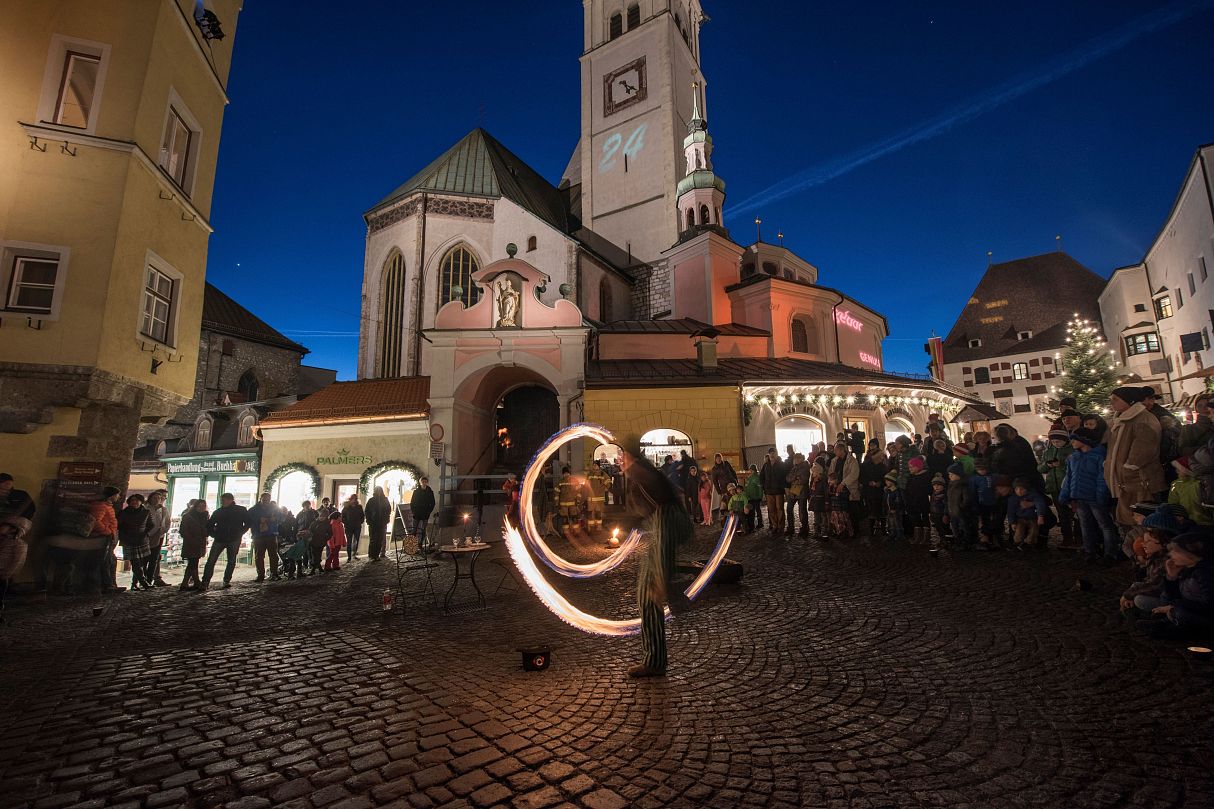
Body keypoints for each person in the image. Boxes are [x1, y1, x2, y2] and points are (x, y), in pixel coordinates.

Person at [619, 441, 693, 678]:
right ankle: (655, 658)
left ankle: (655, 662)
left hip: (667, 522)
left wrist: (661, 576)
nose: (620, 461)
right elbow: (638, 512)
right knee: (645, 594)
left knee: (650, 593)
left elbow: (655, 509)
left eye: (623, 456)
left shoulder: (641, 471)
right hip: (664, 522)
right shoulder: (641, 474)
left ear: (632, 456)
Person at [1105, 386, 1166, 526]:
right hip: (1126, 483)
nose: (1112, 403)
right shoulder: (1121, 421)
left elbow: (1145, 448)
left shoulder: (1143, 419)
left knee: (1143, 521)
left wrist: (1129, 467)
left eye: (1115, 399)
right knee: (1129, 520)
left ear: (1129, 401)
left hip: (1141, 480)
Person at [1136, 533, 1214, 640]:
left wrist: (1175, 607)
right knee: (1167, 601)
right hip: (1189, 608)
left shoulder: (1205, 573)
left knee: (1180, 613)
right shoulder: (1186, 569)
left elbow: (1209, 605)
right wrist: (1171, 577)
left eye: (1176, 551)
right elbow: (1173, 596)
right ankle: (1166, 624)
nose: (1171, 554)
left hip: (1204, 615)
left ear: (1189, 553)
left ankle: (1183, 631)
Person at [1057, 429, 1120, 563]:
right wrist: (1066, 495)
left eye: (1074, 439)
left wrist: (1101, 496)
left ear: (1085, 440)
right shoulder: (1073, 457)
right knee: (1085, 525)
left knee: (1105, 525)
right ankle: (1090, 552)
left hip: (1094, 497)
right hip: (1079, 497)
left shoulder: (1099, 456)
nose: (1072, 442)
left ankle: (1110, 553)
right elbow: (1069, 478)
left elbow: (1102, 479)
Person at [1120, 509, 1179, 618]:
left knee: (1140, 599)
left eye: (1148, 541)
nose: (1143, 544)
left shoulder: (1167, 560)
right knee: (1136, 587)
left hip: (1170, 599)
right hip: (1161, 593)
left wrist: (1130, 594)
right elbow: (1149, 580)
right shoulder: (1155, 556)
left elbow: (1156, 585)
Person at [201, 493, 249, 590]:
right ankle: (205, 582)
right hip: (221, 539)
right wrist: (214, 534)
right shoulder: (219, 512)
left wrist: (240, 533)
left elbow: (248, 523)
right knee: (211, 561)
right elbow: (210, 525)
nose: (223, 502)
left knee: (230, 561)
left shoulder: (240, 510)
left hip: (233, 539)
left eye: (225, 500)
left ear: (231, 500)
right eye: (222, 500)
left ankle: (226, 581)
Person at [1039, 429, 1076, 548]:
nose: (1056, 443)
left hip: (1069, 486)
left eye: (1058, 441)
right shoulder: (1048, 452)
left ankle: (1079, 537)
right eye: (1053, 441)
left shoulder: (1071, 451)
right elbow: (1040, 468)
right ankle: (1067, 537)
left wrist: (1061, 466)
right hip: (1054, 487)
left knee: (1074, 513)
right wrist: (1047, 465)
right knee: (1062, 514)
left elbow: (1074, 468)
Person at [117, 494, 153, 590]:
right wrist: (125, 535)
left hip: (142, 539)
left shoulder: (146, 512)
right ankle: (143, 582)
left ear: (141, 502)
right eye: (132, 500)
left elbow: (151, 524)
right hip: (129, 539)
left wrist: (144, 533)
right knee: (135, 562)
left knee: (141, 562)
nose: (135, 502)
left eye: (137, 500)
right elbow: (119, 525)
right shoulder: (124, 513)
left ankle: (134, 583)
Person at [0, 516, 32, 622]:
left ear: (14, 529)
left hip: (3, 575)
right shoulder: (2, 540)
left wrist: (8, 573)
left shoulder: (20, 545)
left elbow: (17, 561)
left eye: (5, 526)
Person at [90, 487, 121, 593]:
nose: (118, 497)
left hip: (107, 536)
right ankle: (105, 586)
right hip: (102, 537)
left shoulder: (107, 506)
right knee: (104, 561)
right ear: (111, 496)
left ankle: (109, 585)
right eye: (117, 495)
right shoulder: (101, 506)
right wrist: (107, 531)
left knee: (109, 561)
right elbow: (95, 521)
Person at [247, 492, 282, 583]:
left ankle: (274, 574)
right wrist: (259, 521)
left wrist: (275, 519)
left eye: (267, 500)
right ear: (260, 499)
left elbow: (281, 518)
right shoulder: (253, 510)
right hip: (258, 536)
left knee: (273, 555)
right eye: (264, 500)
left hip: (271, 534)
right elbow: (248, 521)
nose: (266, 502)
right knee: (259, 556)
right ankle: (260, 575)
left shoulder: (275, 509)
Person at [829, 442, 861, 536]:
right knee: (840, 511)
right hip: (837, 488)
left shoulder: (852, 460)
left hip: (849, 489)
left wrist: (843, 483)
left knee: (852, 510)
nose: (834, 452)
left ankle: (854, 530)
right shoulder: (834, 461)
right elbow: (831, 472)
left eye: (836, 450)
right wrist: (832, 481)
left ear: (842, 450)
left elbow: (854, 474)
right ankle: (841, 530)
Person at [1007, 478, 1048, 551]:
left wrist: (1040, 516)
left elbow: (1040, 504)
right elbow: (1010, 511)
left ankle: (1029, 543)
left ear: (1027, 489)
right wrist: (1012, 522)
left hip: (1033, 518)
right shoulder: (1013, 498)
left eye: (1022, 489)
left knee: (1034, 530)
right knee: (1018, 531)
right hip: (1020, 518)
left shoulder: (1034, 495)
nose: (1019, 491)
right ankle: (1017, 543)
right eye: (1017, 489)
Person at [1169, 458, 1212, 526]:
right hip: (1185, 521)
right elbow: (1173, 503)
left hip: (1205, 522)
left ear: (1187, 470)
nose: (1176, 471)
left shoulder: (1201, 484)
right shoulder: (1176, 484)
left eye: (1179, 468)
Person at [178, 499, 209, 591]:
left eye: (203, 506)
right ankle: (197, 582)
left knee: (193, 563)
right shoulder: (188, 516)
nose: (201, 508)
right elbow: (183, 530)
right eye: (199, 506)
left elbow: (208, 528)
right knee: (193, 562)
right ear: (195, 506)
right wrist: (190, 539)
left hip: (200, 542)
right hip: (190, 543)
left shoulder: (205, 516)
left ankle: (185, 583)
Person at [969, 460, 998, 549]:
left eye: (983, 469)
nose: (982, 471)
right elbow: (972, 492)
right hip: (982, 503)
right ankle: (984, 539)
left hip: (992, 502)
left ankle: (991, 538)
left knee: (992, 520)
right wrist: (975, 504)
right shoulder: (974, 479)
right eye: (980, 469)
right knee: (984, 521)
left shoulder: (992, 476)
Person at [143, 490, 170, 587]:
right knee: (144, 559)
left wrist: (162, 531)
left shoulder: (163, 509)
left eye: (162, 498)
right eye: (157, 498)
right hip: (146, 536)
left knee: (154, 558)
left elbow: (167, 522)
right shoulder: (145, 508)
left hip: (159, 536)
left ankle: (150, 579)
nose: (160, 500)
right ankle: (142, 579)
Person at [759, 447, 787, 536]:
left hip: (778, 491)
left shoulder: (781, 464)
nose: (772, 454)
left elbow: (784, 476)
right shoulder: (766, 465)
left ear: (776, 454)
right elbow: (761, 476)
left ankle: (781, 526)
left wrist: (782, 486)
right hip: (769, 491)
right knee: (771, 509)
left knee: (780, 509)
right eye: (770, 453)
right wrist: (764, 486)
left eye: (773, 453)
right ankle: (775, 525)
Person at [904, 456, 932, 544]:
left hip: (922, 500)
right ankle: (917, 536)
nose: (910, 469)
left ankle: (926, 537)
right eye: (909, 467)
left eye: (912, 467)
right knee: (915, 518)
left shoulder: (925, 477)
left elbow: (927, 490)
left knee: (924, 517)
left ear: (918, 467)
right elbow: (907, 489)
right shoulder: (911, 477)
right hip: (912, 500)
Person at [946, 464, 973, 549]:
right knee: (955, 527)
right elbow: (948, 498)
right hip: (953, 511)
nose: (950, 476)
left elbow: (967, 499)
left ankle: (966, 543)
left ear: (958, 475)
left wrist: (961, 507)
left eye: (952, 474)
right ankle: (958, 541)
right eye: (949, 474)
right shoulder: (951, 485)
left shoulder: (963, 485)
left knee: (964, 527)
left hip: (961, 512)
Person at [785, 453, 810, 537]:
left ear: (802, 459)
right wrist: (796, 477)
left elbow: (804, 480)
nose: (796, 460)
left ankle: (804, 528)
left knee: (802, 510)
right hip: (793, 492)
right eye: (795, 459)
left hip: (802, 492)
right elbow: (788, 478)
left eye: (798, 458)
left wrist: (795, 478)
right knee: (789, 509)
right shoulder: (793, 468)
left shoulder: (805, 467)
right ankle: (791, 527)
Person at [406, 479, 433, 553]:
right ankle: (412, 546)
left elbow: (432, 502)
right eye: (423, 482)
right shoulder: (416, 492)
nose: (424, 483)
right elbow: (412, 502)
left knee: (423, 530)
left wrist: (428, 511)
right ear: (420, 482)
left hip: (425, 513)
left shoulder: (429, 492)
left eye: (425, 482)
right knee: (414, 530)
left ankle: (420, 544)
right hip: (417, 513)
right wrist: (414, 511)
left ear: (427, 482)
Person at [709, 453, 737, 523]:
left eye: (719, 458)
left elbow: (732, 471)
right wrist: (719, 491)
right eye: (717, 458)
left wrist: (735, 480)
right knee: (726, 503)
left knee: (735, 501)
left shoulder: (726, 464)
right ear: (715, 460)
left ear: (721, 458)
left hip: (732, 484)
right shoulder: (714, 469)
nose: (718, 460)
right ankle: (727, 520)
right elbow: (715, 481)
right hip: (724, 488)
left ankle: (736, 518)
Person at [295, 500, 319, 574]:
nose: (308, 507)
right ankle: (305, 565)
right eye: (306, 506)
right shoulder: (299, 514)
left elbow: (316, 522)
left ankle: (312, 564)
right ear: (303, 506)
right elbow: (296, 524)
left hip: (310, 533)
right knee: (304, 550)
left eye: (309, 505)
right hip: (301, 533)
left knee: (311, 550)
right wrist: (297, 533)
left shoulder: (314, 512)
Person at [341, 494, 365, 561]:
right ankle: (349, 557)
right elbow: (343, 517)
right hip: (349, 527)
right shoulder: (346, 507)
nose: (354, 500)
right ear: (350, 499)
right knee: (349, 541)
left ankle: (354, 554)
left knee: (356, 541)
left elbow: (362, 515)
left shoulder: (359, 507)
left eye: (355, 499)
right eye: (353, 499)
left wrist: (360, 521)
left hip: (357, 526)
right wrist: (346, 523)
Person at [883, 471, 906, 542]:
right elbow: (885, 500)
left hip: (896, 510)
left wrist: (896, 508)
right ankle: (892, 534)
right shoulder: (887, 491)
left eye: (887, 481)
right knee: (891, 523)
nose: (886, 482)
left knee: (897, 523)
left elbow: (898, 501)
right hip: (889, 510)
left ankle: (900, 535)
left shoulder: (896, 491)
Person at [586, 463, 610, 529]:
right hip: (591, 498)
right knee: (590, 513)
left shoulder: (603, 474)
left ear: (599, 466)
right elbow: (586, 484)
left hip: (599, 498)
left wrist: (606, 486)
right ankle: (591, 527)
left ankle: (599, 527)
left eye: (596, 465)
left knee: (598, 512)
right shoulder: (589, 474)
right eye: (593, 465)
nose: (594, 466)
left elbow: (608, 481)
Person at [928, 474, 949, 544]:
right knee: (938, 529)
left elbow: (946, 505)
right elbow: (931, 504)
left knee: (944, 528)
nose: (936, 487)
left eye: (938, 485)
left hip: (942, 514)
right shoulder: (933, 494)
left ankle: (945, 540)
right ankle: (941, 539)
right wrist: (931, 514)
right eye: (934, 485)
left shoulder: (944, 495)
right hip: (935, 514)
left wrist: (946, 514)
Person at [744, 465, 763, 533]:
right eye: (750, 470)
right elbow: (746, 487)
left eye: (752, 470)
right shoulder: (749, 478)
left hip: (756, 497)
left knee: (757, 510)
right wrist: (746, 495)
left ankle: (760, 523)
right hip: (750, 497)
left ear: (754, 470)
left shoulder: (757, 477)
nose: (751, 471)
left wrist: (760, 496)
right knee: (752, 511)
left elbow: (760, 487)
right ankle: (753, 524)